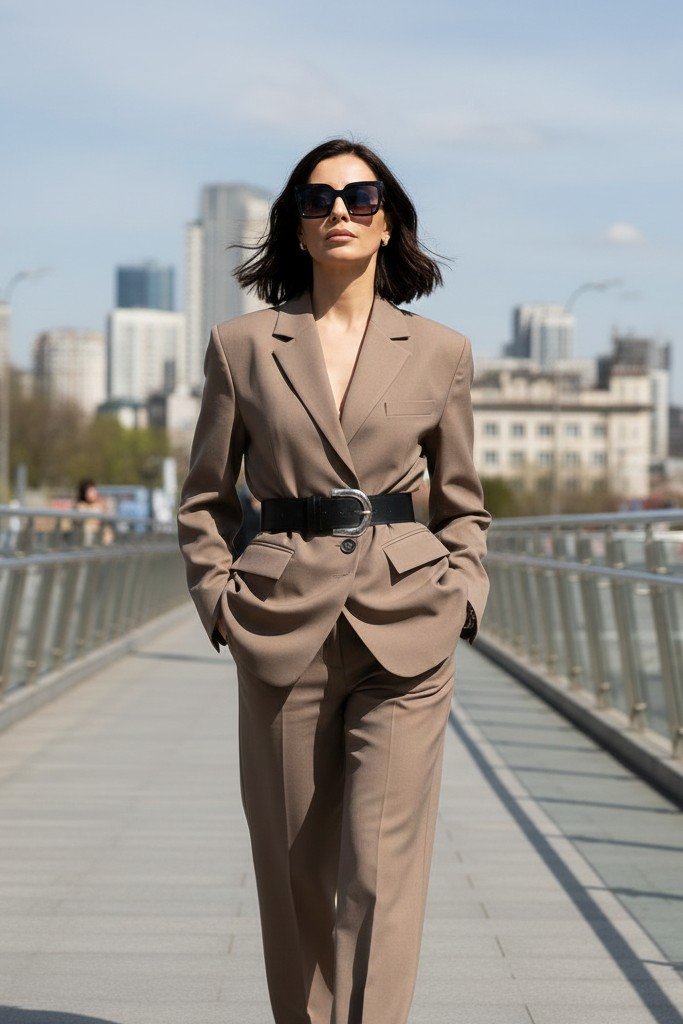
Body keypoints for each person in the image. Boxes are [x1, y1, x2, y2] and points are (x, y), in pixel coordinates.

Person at [176, 137, 491, 1024]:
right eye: (318, 200)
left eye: (360, 197)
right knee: (294, 871)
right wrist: (220, 605)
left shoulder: (440, 351)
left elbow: (463, 503)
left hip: (408, 624)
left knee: (381, 870)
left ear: (388, 221)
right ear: (296, 225)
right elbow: (204, 498)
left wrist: (463, 596)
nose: (340, 212)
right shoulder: (241, 345)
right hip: (280, 622)